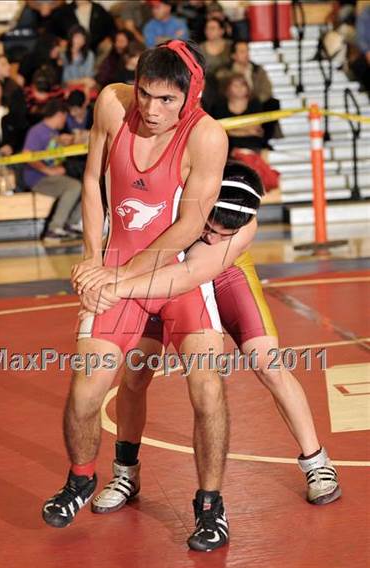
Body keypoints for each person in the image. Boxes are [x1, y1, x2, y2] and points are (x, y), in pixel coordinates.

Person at [42, 40, 231, 552]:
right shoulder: (111, 103)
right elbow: (90, 183)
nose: (150, 110)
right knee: (86, 391)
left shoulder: (209, 137)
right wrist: (90, 259)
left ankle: (210, 506)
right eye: (145, 94)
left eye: (167, 101)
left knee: (207, 389)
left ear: (191, 97)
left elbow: (189, 224)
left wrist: (119, 274)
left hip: (176, 278)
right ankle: (82, 477)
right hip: (116, 268)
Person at [88, 161, 341, 524]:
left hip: (220, 275)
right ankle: (126, 472)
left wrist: (114, 288)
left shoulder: (243, 226)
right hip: (163, 274)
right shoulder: (183, 198)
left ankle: (316, 462)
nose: (209, 236)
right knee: (137, 372)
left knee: (267, 362)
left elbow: (192, 273)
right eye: (206, 227)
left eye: (221, 233)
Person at [22, 99, 82, 243]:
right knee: (74, 186)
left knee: (87, 187)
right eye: (65, 117)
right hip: (37, 177)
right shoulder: (37, 131)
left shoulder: (54, 133)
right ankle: (54, 228)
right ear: (60, 115)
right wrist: (47, 170)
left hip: (50, 176)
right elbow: (26, 154)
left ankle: (71, 223)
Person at [61, 25, 96, 91]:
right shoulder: (63, 54)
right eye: (77, 37)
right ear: (71, 37)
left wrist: (83, 82)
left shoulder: (89, 54)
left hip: (84, 88)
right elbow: (65, 81)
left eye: (83, 38)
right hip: (67, 89)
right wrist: (83, 81)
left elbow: (88, 77)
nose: (79, 41)